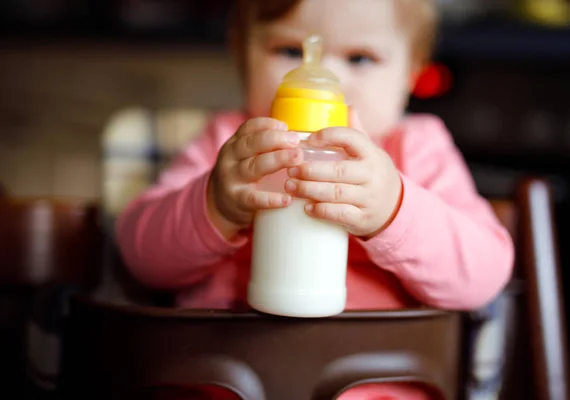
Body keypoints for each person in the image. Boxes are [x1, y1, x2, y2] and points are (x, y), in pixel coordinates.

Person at [116, 0, 514, 398]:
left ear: (411, 71)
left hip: (374, 384)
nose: (327, 78)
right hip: (224, 379)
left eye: (361, 57)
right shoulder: (229, 145)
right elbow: (139, 255)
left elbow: (485, 273)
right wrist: (215, 206)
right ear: (241, 53)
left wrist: (395, 210)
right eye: (291, 51)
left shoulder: (418, 150)